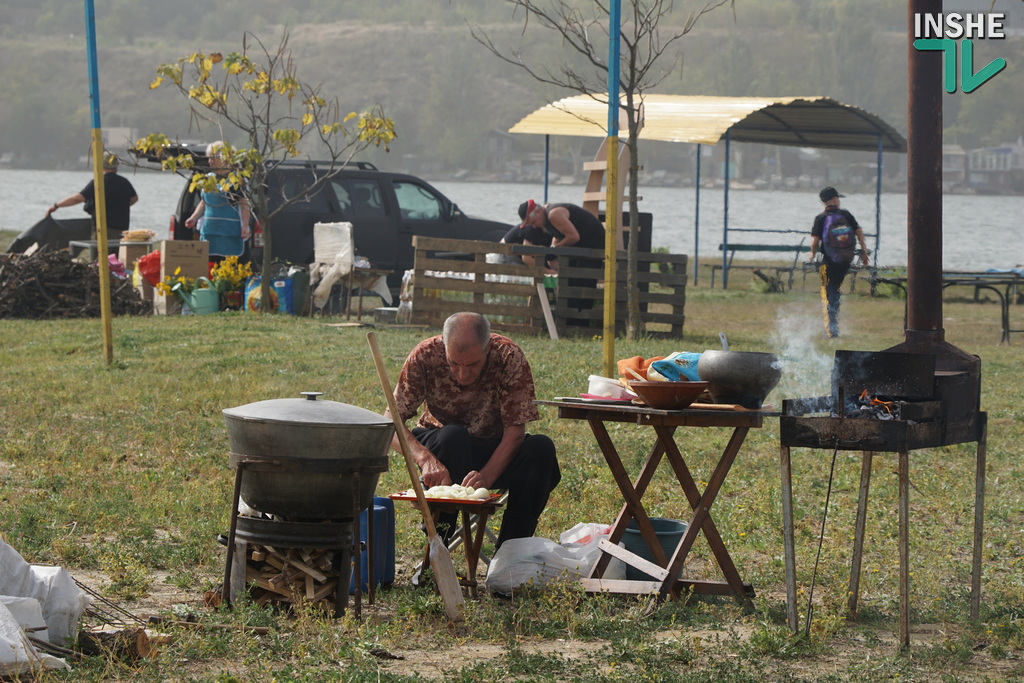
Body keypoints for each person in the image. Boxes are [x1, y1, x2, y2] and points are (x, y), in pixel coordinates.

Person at [387, 312, 561, 547]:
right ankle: (438, 542)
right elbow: (391, 423)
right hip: (443, 450)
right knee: (453, 435)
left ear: (488, 348)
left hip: (494, 449)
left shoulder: (509, 356)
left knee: (541, 448)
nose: (462, 374)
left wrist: (487, 476)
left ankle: (512, 549)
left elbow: (515, 433)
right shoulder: (426, 354)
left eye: (472, 364)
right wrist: (425, 459)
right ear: (444, 347)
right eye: (453, 364)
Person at [517, 199, 605, 316]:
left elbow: (573, 237)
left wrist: (555, 249)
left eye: (533, 222)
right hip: (580, 250)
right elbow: (558, 236)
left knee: (582, 287)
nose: (533, 226)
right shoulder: (546, 218)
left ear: (538, 211)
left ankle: (580, 321)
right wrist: (552, 252)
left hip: (593, 247)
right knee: (569, 286)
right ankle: (571, 321)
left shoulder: (554, 214)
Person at [807, 187, 869, 338]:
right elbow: (859, 232)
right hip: (845, 260)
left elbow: (815, 241)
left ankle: (831, 328)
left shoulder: (821, 218)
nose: (839, 201)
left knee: (827, 292)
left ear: (823, 202)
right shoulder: (846, 215)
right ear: (834, 199)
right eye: (838, 198)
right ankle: (833, 322)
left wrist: (812, 255)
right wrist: (864, 252)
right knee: (834, 288)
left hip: (828, 261)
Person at [46, 152, 138, 243]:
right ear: (116, 166)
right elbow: (134, 199)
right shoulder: (124, 182)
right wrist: (119, 206)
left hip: (102, 231)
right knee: (116, 257)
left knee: (99, 257)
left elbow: (77, 198)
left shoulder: (98, 182)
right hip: (122, 231)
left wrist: (56, 206)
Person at [185, 141, 250, 263]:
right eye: (209, 158)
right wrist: (193, 218)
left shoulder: (236, 179)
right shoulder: (209, 178)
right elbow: (204, 202)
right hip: (210, 232)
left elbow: (244, 203)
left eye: (212, 158)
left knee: (231, 269)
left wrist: (245, 226)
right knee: (210, 268)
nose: (209, 161)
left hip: (230, 233)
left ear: (224, 158)